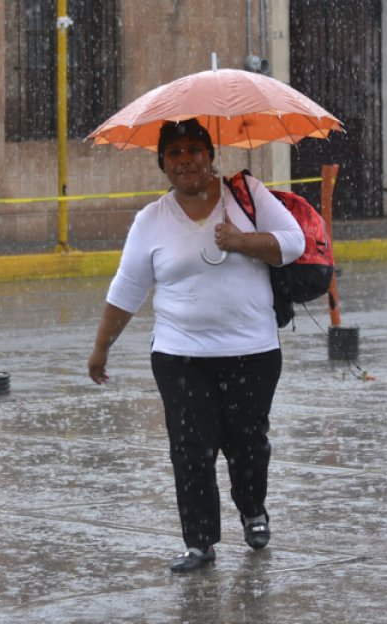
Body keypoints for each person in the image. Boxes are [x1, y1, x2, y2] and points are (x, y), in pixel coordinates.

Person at [87, 119, 305, 572]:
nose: (185, 159)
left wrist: (242, 240)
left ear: (210, 155)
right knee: (190, 447)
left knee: (247, 443)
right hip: (180, 355)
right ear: (163, 164)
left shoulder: (248, 197)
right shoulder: (150, 220)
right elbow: (127, 288)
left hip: (253, 350)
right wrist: (101, 348)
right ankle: (199, 542)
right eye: (174, 153)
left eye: (193, 149)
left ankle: (252, 510)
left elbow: (293, 243)